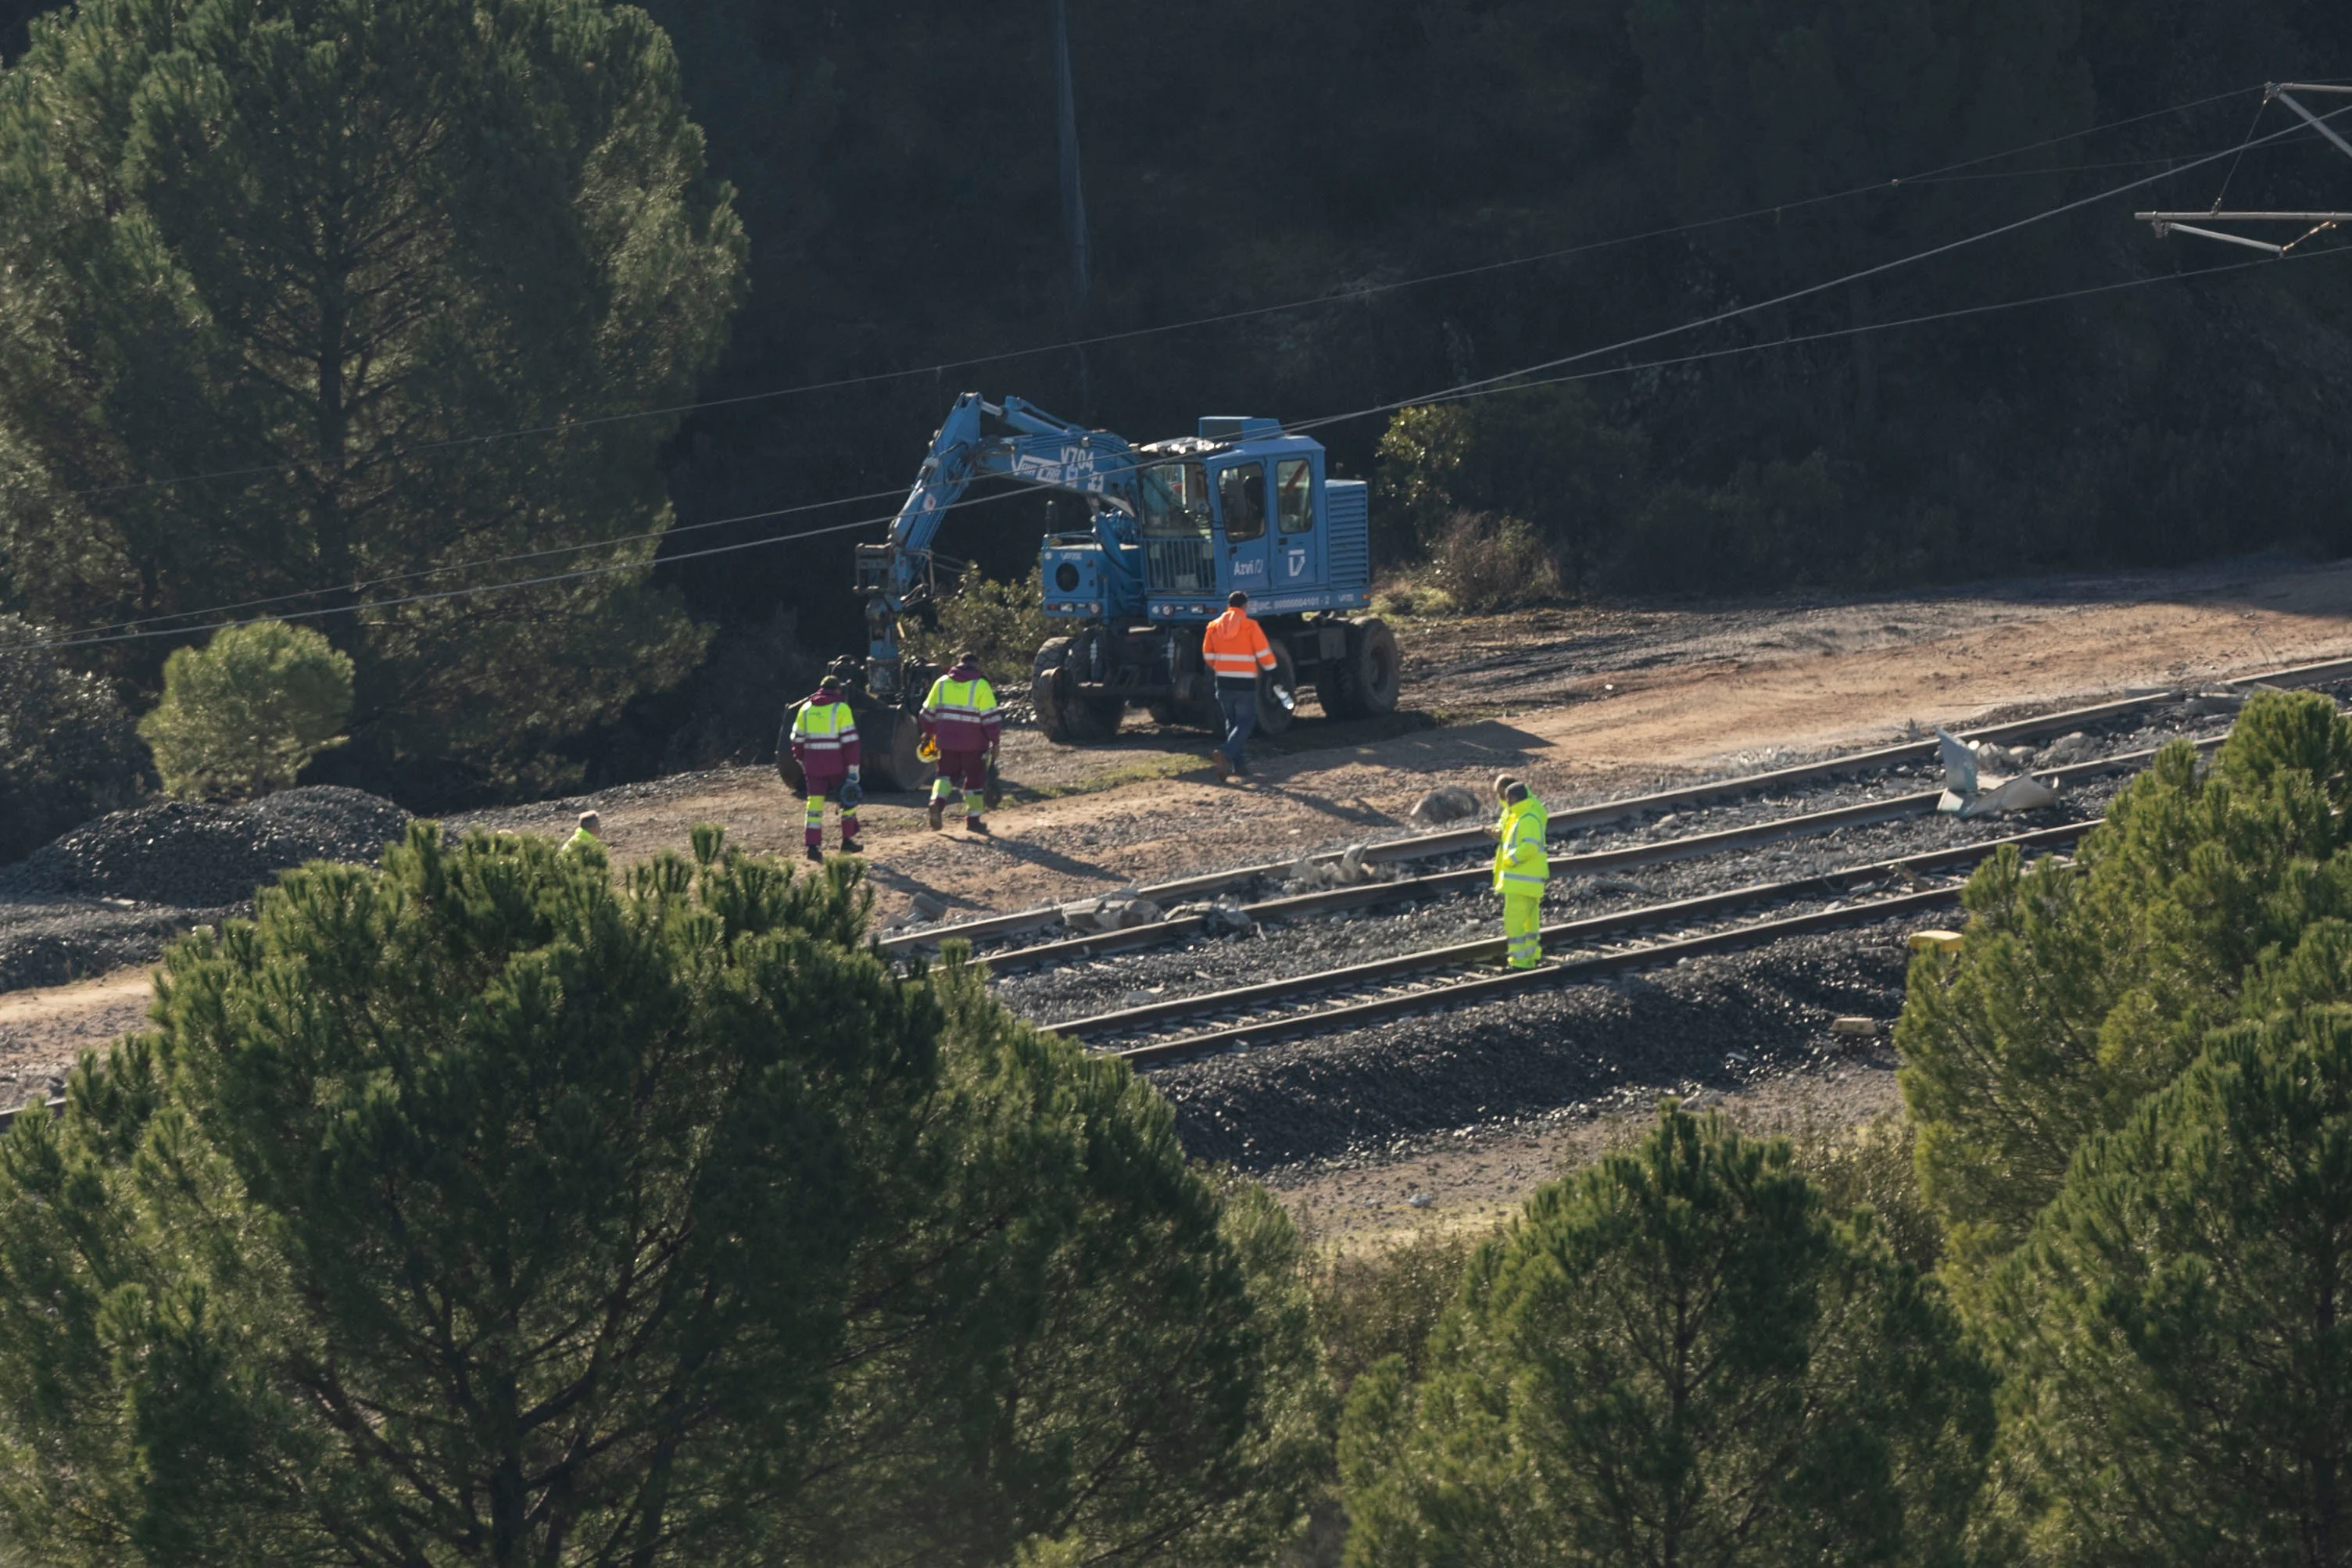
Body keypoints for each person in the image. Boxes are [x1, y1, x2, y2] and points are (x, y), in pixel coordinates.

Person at [921, 649, 1003, 835]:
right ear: (976, 666)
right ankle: (973, 821)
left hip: (946, 742)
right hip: (974, 745)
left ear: (958, 664)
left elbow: (926, 715)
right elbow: (990, 719)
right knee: (974, 779)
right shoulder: (981, 685)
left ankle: (936, 802)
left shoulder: (941, 683)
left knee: (944, 775)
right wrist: (995, 741)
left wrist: (928, 733)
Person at [1201, 589, 1276, 781]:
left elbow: (1208, 656)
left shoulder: (1213, 626)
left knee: (1232, 722)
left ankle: (1239, 766)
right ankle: (1226, 754)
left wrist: (1221, 666)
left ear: (1229, 605)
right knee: (1247, 721)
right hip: (1244, 682)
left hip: (1223, 682)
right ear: (1245, 606)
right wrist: (1272, 670)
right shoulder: (1250, 626)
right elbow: (1263, 653)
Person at [789, 675, 861, 861]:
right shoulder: (841, 709)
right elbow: (850, 742)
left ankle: (812, 847)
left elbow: (796, 739)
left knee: (814, 805)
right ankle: (847, 841)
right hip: (836, 765)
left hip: (813, 766)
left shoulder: (805, 709)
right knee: (848, 799)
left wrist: (801, 760)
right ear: (837, 690)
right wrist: (853, 769)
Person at [1487, 774, 1549, 970]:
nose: (1501, 801)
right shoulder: (1519, 809)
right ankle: (1531, 958)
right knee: (1529, 922)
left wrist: (1510, 859)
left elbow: (1530, 844)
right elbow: (1508, 826)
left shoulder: (1529, 813)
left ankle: (1521, 962)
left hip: (1521, 876)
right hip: (1527, 877)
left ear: (1510, 794)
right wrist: (1498, 831)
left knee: (1514, 921)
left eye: (1502, 796)